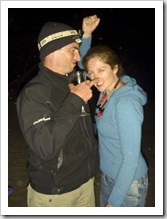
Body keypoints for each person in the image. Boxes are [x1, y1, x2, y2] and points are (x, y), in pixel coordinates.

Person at [17, 15, 100, 207]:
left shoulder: (71, 80)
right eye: (73, 51)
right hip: (55, 194)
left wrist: (86, 35)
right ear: (51, 51)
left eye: (77, 51)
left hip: (86, 183)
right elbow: (45, 146)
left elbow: (96, 67)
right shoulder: (34, 93)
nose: (78, 57)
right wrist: (75, 100)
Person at [82, 44, 149, 207]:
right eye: (91, 72)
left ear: (114, 69)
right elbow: (82, 62)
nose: (95, 77)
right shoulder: (107, 91)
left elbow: (131, 159)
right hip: (108, 176)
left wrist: (114, 202)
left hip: (128, 183)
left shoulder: (125, 103)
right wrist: (87, 36)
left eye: (101, 70)